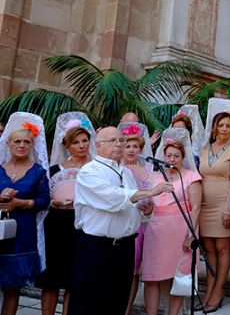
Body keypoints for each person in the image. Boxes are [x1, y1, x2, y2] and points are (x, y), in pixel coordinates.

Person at [69, 127, 173, 315]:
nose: (119, 144)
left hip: (125, 247)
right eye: (112, 141)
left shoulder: (126, 172)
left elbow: (129, 207)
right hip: (97, 247)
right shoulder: (89, 171)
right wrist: (150, 192)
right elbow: (113, 198)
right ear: (98, 145)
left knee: (118, 301)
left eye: (121, 140)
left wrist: (145, 211)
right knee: (90, 303)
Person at [39, 113, 97, 315]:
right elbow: (43, 197)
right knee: (51, 279)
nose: (81, 145)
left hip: (83, 225)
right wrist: (54, 202)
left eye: (84, 141)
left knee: (75, 279)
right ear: (67, 146)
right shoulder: (55, 170)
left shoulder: (96, 170)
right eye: (76, 142)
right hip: (56, 224)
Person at [142, 129, 202, 315]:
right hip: (156, 230)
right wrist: (148, 209)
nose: (172, 159)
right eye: (169, 155)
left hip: (181, 229)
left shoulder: (192, 177)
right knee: (152, 276)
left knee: (179, 277)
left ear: (183, 157)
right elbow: (151, 203)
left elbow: (196, 208)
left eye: (176, 155)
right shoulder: (155, 177)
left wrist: (190, 235)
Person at [0, 113, 50, 315]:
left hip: (22, 235)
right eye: (17, 141)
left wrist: (19, 203)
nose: (21, 145)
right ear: (8, 144)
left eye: (26, 142)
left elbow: (45, 201)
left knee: (13, 288)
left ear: (32, 145)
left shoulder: (38, 172)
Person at [196, 107, 230, 312]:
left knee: (222, 248)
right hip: (203, 206)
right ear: (213, 128)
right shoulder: (204, 150)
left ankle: (219, 291)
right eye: (221, 125)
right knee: (209, 249)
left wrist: (229, 207)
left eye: (228, 126)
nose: (224, 129)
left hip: (222, 204)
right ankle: (209, 291)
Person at [119, 132, 153, 315]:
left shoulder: (146, 171)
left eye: (135, 147)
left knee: (133, 268)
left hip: (138, 224)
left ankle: (127, 308)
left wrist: (148, 206)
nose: (131, 150)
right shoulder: (115, 169)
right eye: (127, 146)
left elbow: (151, 197)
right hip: (116, 222)